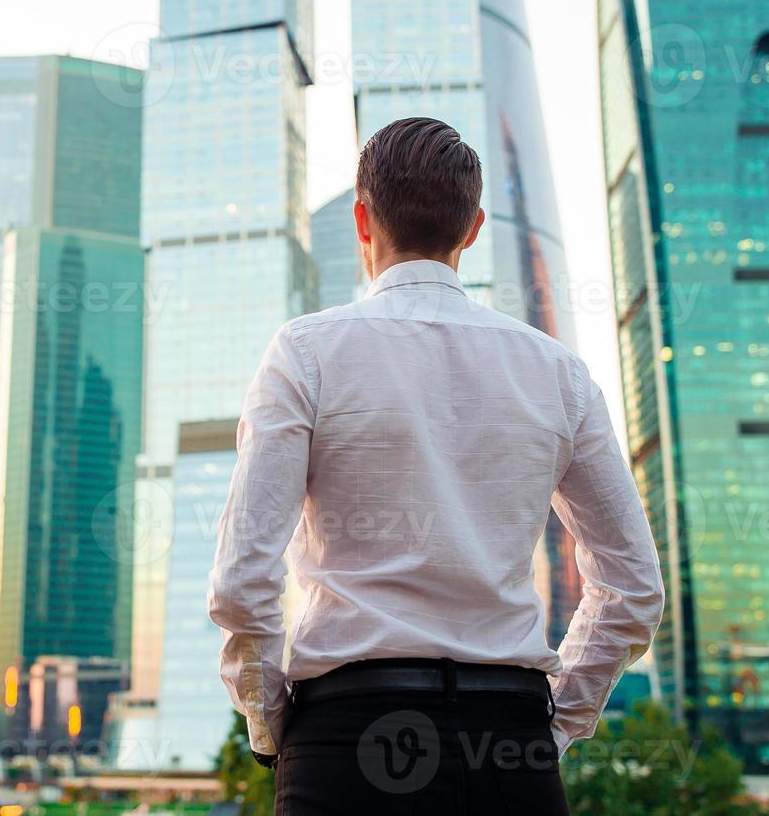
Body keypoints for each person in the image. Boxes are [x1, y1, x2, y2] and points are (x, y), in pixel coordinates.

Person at [207, 117, 665, 813]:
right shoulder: (559, 373)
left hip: (346, 742)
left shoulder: (305, 353)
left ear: (362, 219)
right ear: (474, 227)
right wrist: (555, 724)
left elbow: (242, 582)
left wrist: (275, 724)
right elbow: (633, 589)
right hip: (508, 747)